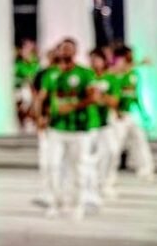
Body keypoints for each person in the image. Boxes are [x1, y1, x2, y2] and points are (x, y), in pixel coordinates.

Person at [39, 38, 94, 219]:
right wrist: (41, 117)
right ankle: (55, 203)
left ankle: (77, 205)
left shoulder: (85, 73)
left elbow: (92, 97)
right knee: (53, 166)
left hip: (79, 129)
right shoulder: (51, 74)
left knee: (79, 168)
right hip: (56, 128)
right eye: (63, 48)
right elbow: (42, 97)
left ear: (75, 52)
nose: (66, 52)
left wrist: (73, 106)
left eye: (70, 48)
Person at [109, 44, 154, 185]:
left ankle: (145, 170)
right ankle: (109, 174)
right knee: (115, 145)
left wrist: (143, 112)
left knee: (140, 140)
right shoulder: (115, 73)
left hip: (130, 114)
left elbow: (136, 95)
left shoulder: (134, 74)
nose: (131, 57)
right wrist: (116, 111)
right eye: (129, 55)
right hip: (117, 115)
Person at [86, 47, 120, 203]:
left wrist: (100, 96)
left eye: (97, 59)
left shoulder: (111, 79)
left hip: (105, 123)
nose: (94, 62)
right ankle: (90, 186)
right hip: (88, 123)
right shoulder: (86, 77)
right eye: (92, 59)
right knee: (89, 157)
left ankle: (105, 183)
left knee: (112, 151)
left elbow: (114, 102)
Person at [31, 46, 60, 208]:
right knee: (46, 159)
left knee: (59, 161)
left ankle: (59, 192)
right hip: (47, 122)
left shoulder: (67, 74)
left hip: (63, 123)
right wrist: (39, 118)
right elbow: (37, 97)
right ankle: (47, 191)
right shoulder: (43, 74)